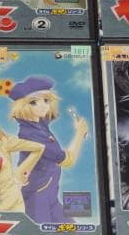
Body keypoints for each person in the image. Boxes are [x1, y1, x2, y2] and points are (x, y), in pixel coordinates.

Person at [8, 76, 88, 224]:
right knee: (41, 232)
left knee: (72, 230)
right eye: (33, 102)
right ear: (22, 106)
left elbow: (48, 117)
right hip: (37, 196)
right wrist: (79, 134)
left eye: (46, 100)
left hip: (50, 194)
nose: (43, 106)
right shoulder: (32, 134)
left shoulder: (38, 124)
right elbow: (67, 160)